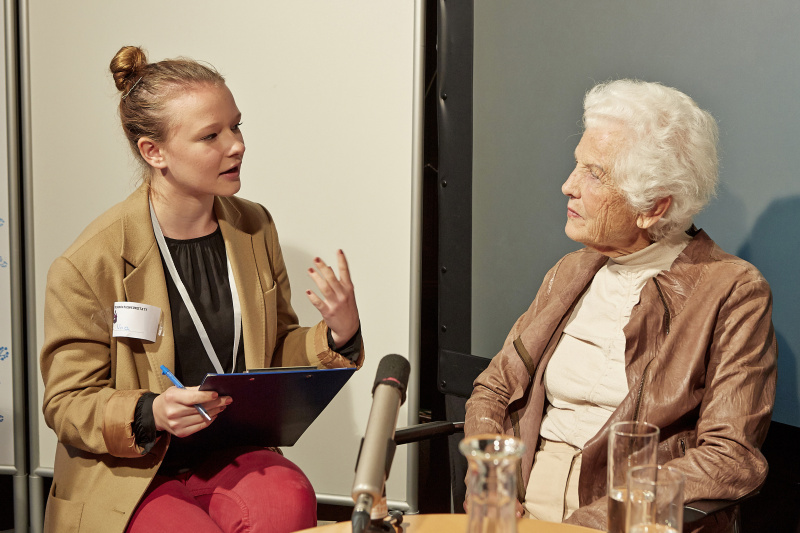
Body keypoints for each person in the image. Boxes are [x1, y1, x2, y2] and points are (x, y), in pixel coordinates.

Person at [40, 46, 364, 533]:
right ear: (155, 152)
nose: (236, 145)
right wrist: (152, 410)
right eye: (211, 135)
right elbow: (67, 403)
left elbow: (273, 352)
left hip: (231, 451)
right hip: (133, 470)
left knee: (287, 501)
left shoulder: (254, 227)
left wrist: (337, 334)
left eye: (236, 126)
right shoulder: (90, 262)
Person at [464, 79, 777, 532]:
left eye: (595, 173)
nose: (567, 185)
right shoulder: (570, 272)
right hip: (518, 507)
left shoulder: (733, 291)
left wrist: (593, 522)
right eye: (577, 166)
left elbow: (731, 458)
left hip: (623, 520)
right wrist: (493, 480)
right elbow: (494, 388)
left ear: (653, 207)